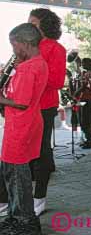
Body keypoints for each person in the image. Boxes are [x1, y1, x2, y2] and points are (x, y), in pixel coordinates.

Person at [0, 23, 48, 234]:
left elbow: (21, 101)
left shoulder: (29, 68)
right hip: (25, 124)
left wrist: (1, 99)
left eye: (14, 45)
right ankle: (15, 215)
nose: (13, 50)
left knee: (17, 177)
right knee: (13, 174)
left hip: (21, 126)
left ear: (26, 44)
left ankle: (25, 222)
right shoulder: (37, 63)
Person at [28, 8, 66, 216]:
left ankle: (39, 197)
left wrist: (29, 73)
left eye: (33, 23)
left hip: (44, 106)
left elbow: (57, 81)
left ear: (45, 25)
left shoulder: (55, 48)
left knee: (42, 151)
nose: (29, 26)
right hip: (26, 106)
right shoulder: (28, 47)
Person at [74, 58, 91, 149]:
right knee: (82, 121)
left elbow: (88, 87)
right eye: (82, 63)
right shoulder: (83, 73)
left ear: (89, 64)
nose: (82, 65)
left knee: (86, 121)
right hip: (82, 98)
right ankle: (87, 139)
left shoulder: (90, 74)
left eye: (83, 63)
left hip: (87, 99)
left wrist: (77, 92)